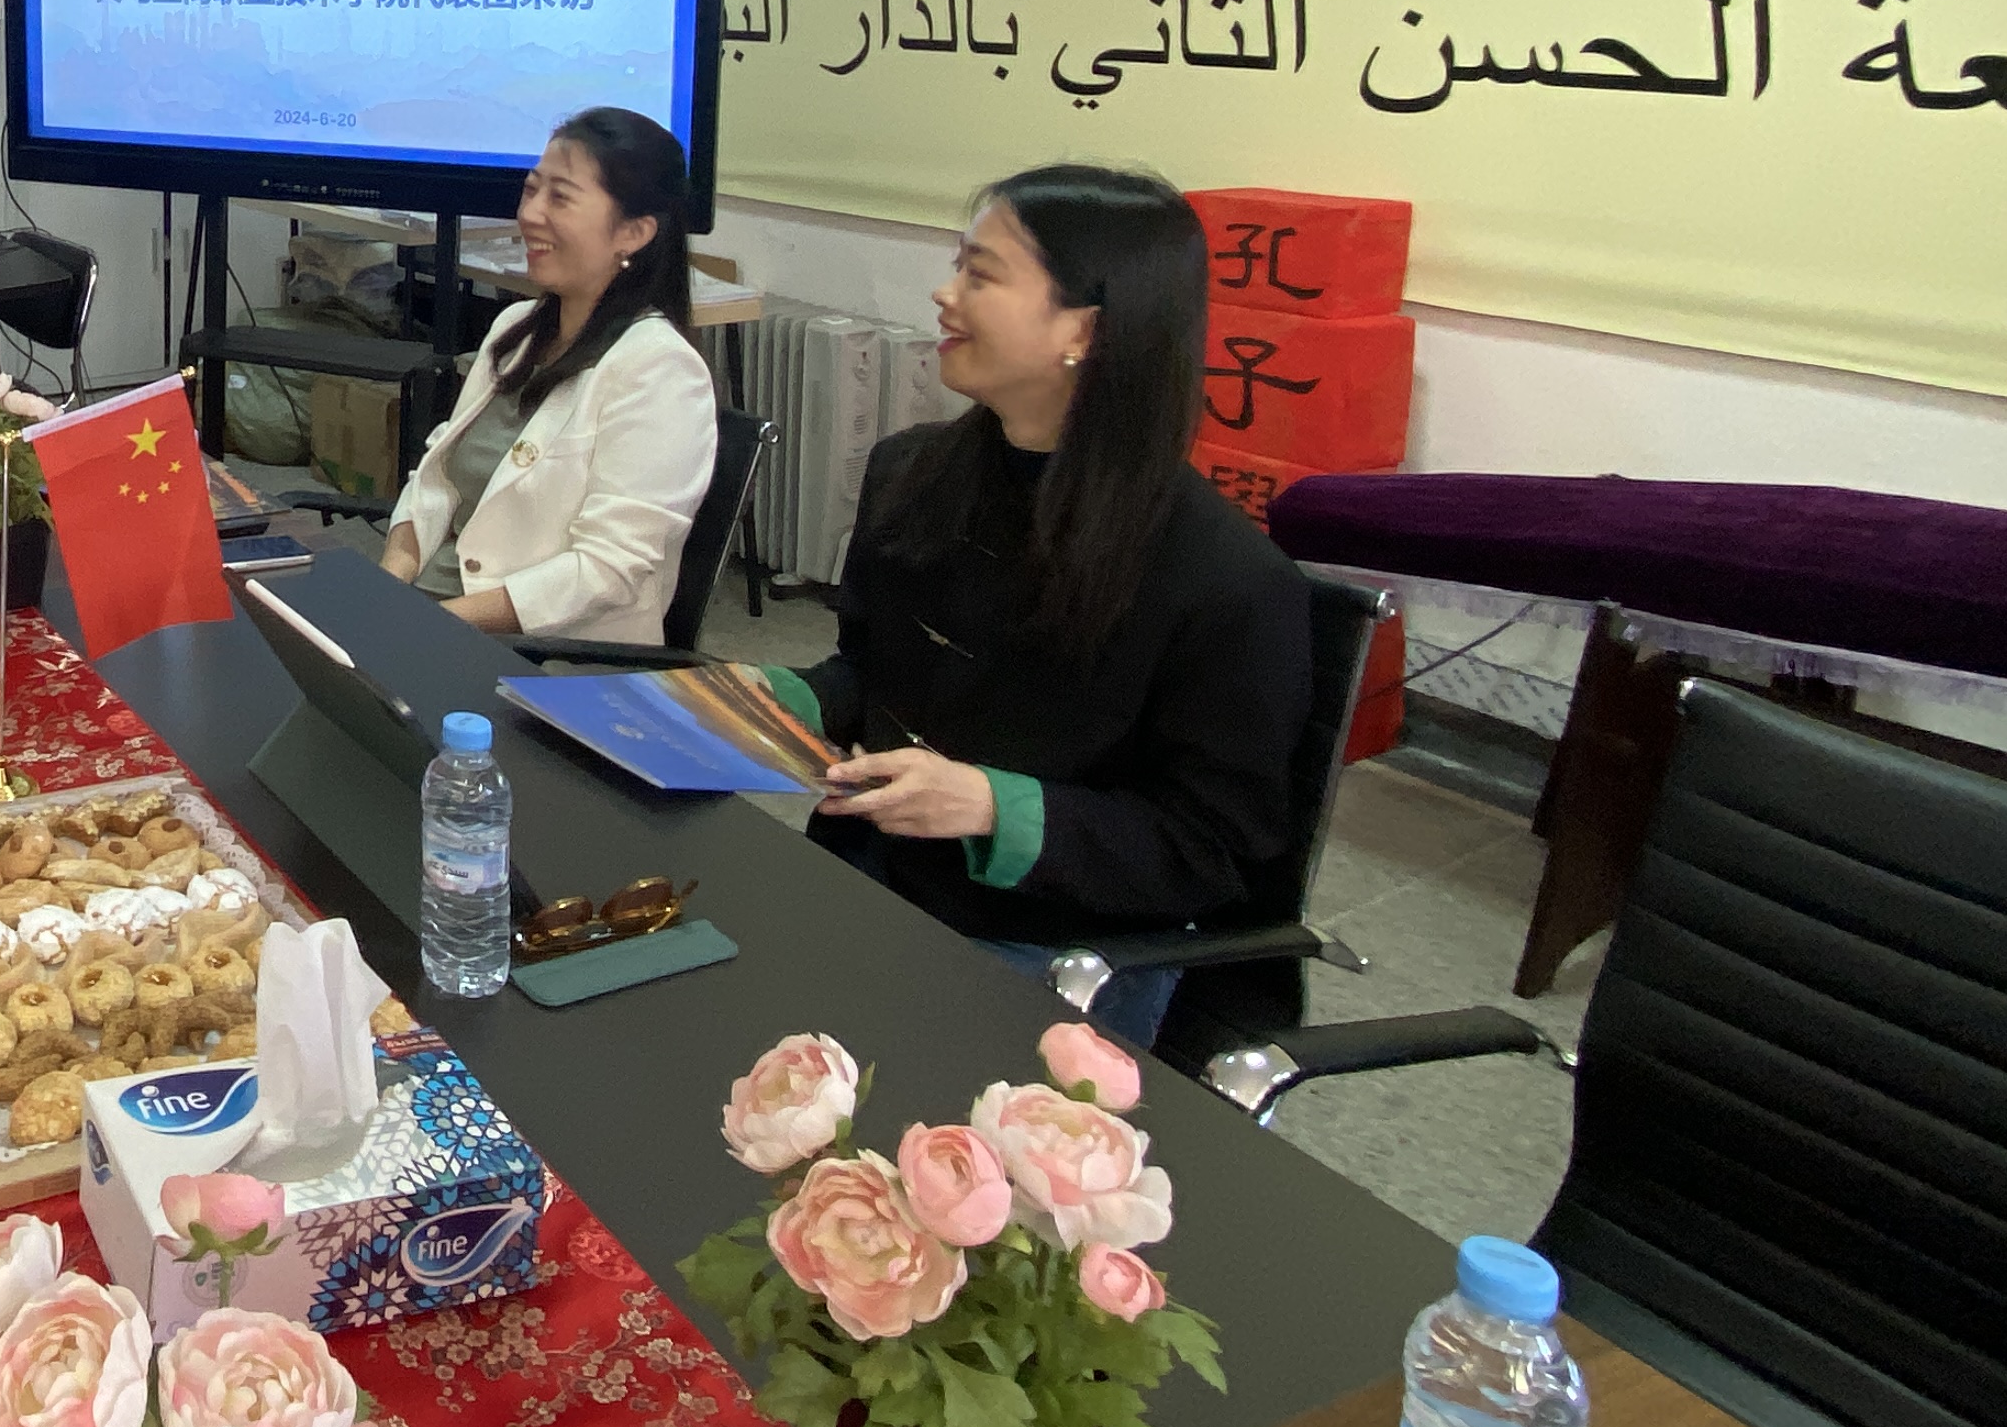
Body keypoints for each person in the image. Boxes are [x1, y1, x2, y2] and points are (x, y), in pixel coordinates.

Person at [773, 162, 1314, 1050]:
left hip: (1049, 947)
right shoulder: (913, 473)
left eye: (981, 275)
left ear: (1085, 330)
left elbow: (1210, 848)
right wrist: (770, 704)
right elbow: (874, 670)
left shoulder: (1224, 580)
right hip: (869, 879)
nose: (945, 295)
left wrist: (993, 807)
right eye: (957, 265)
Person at [380, 108, 719, 643]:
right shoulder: (514, 328)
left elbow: (606, 571)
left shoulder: (659, 370)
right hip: (433, 620)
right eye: (531, 189)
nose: (530, 214)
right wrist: (387, 587)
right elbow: (435, 480)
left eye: (560, 197)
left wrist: (430, 627)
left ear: (633, 232)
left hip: (542, 652)